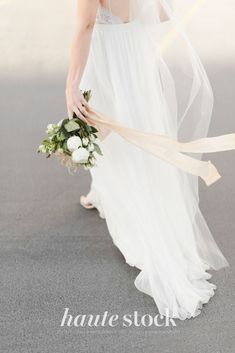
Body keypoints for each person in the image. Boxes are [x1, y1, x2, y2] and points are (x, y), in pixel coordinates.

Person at [66, 0, 229, 320]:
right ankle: (102, 195)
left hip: (108, 61)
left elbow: (85, 25)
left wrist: (71, 85)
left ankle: (128, 208)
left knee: (108, 138)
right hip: (135, 62)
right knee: (136, 134)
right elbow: (163, 12)